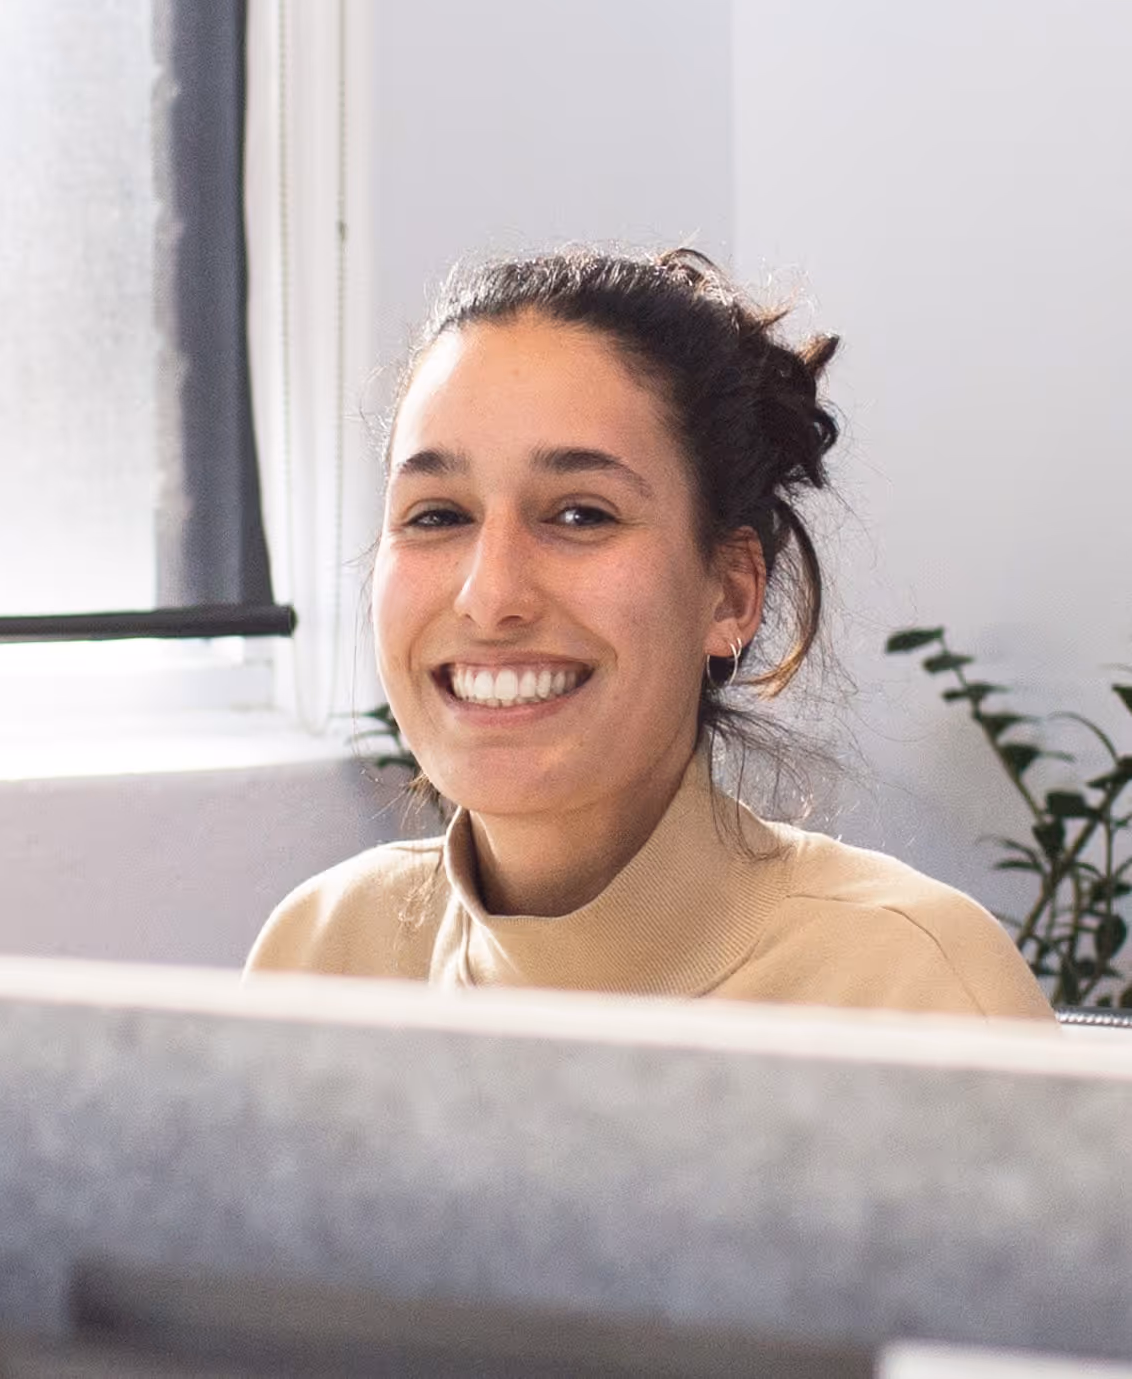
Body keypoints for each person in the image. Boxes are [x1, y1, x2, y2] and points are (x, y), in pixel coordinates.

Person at [246, 247, 1053, 1020]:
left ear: (731, 592)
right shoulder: (321, 956)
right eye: (438, 515)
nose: (488, 597)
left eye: (580, 513)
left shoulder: (915, 989)